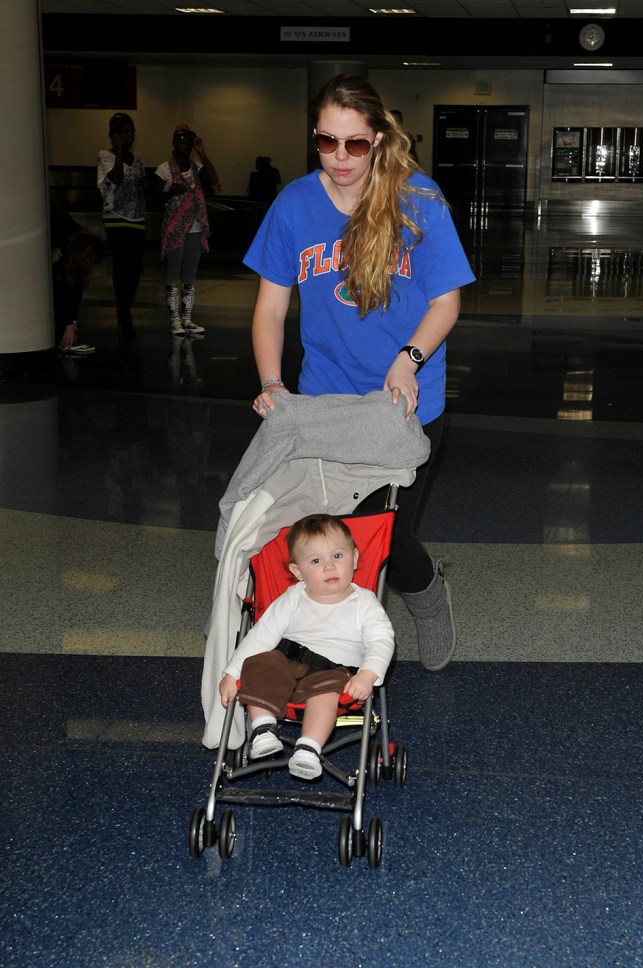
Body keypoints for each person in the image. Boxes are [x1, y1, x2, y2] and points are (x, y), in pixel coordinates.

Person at [243, 73, 475, 673]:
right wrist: (272, 383)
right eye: (326, 142)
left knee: (381, 537)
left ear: (378, 139)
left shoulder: (417, 200)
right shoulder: (295, 204)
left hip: (405, 404)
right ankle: (333, 646)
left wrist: (410, 358)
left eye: (355, 144)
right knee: (327, 539)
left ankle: (425, 597)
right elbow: (270, 308)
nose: (340, 158)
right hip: (326, 404)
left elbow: (445, 302)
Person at [219, 513, 394, 780]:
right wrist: (232, 673)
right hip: (286, 661)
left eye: (338, 556)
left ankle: (308, 748)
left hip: (333, 673)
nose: (329, 567)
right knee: (258, 663)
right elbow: (260, 635)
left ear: (355, 558)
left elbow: (381, 640)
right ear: (298, 572)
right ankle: (263, 728)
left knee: (325, 694)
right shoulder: (292, 598)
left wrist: (368, 674)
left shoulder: (364, 603)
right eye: (316, 560)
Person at [154, 123, 220, 337]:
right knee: (173, 273)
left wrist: (202, 152)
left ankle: (186, 318)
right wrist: (171, 192)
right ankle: (174, 320)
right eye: (181, 140)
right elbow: (154, 199)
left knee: (190, 275)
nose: (185, 144)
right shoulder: (165, 168)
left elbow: (214, 180)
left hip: (195, 228)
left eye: (189, 141)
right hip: (175, 229)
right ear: (174, 143)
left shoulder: (196, 168)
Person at [96, 112, 146, 338]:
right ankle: (123, 311)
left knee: (135, 267)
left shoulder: (138, 160)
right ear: (115, 135)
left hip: (137, 218)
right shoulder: (105, 156)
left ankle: (125, 306)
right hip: (115, 218)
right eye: (126, 131)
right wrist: (120, 152)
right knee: (122, 264)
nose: (131, 135)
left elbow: (140, 185)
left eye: (132, 131)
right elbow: (115, 178)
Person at [51, 204, 105, 353]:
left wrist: (72, 321)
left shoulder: (75, 243)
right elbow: (60, 291)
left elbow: (76, 289)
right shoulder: (61, 244)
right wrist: (69, 324)